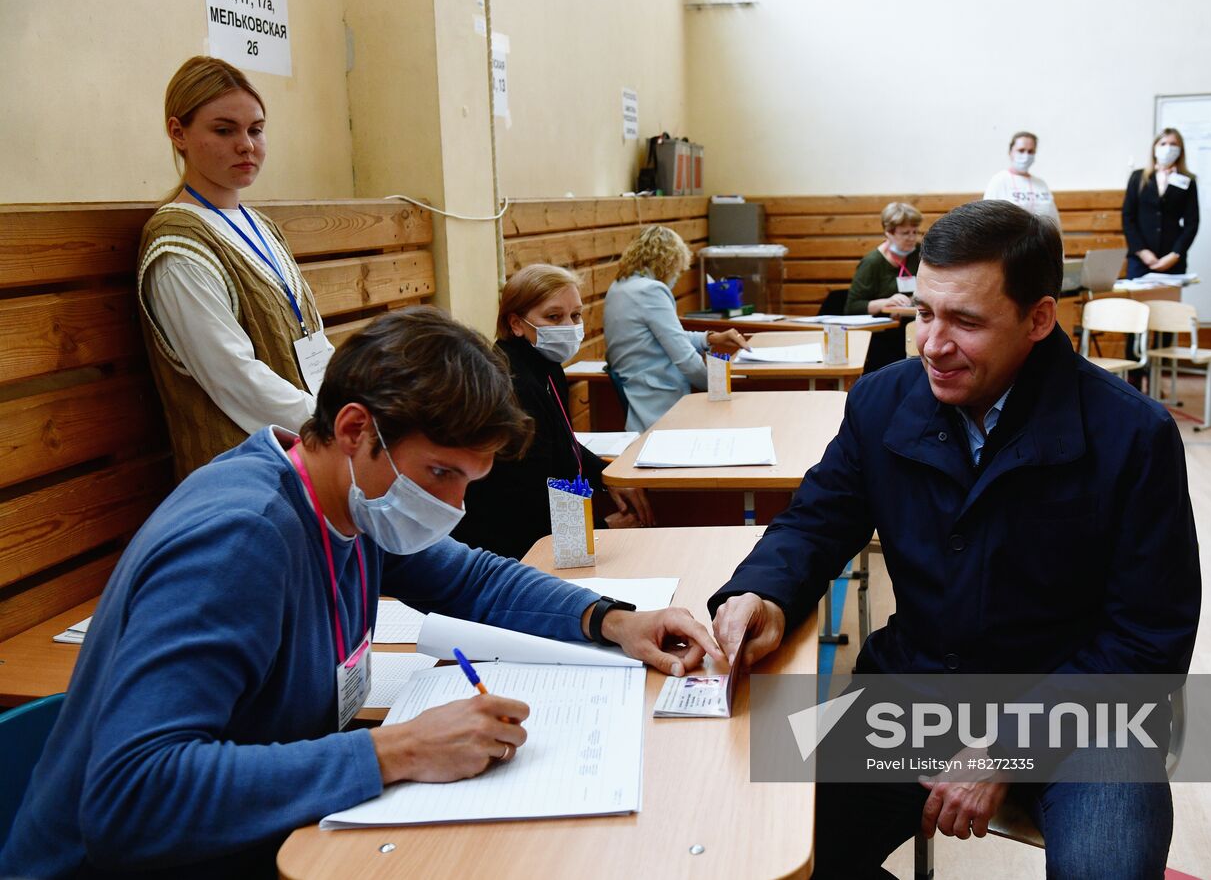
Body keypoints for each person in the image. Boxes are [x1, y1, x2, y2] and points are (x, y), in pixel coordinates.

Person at [0, 306, 721, 879]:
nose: (453, 504)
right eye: (441, 474)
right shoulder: (241, 539)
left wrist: (613, 620)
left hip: (253, 841)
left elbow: (469, 575)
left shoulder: (351, 498)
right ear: (354, 429)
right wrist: (395, 750)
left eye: (469, 481)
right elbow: (130, 796)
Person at [709, 200, 1201, 879]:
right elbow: (815, 520)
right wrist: (763, 591)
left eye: (966, 322)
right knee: (749, 841)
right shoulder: (883, 401)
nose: (933, 344)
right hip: (915, 695)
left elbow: (1148, 641)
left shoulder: (1132, 435)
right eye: (924, 312)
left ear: (1038, 318)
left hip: (1087, 718)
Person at [137, 56, 330, 480]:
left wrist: (356, 401)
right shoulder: (177, 246)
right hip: (242, 478)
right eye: (224, 130)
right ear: (178, 132)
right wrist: (339, 427)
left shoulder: (261, 226)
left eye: (256, 130)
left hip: (312, 453)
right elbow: (235, 379)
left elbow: (312, 338)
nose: (247, 145)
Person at [453, 264, 654, 557]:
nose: (570, 326)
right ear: (516, 324)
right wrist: (600, 527)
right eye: (553, 316)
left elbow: (564, 442)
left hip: (543, 531)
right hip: (506, 548)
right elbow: (528, 494)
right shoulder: (509, 385)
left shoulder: (546, 368)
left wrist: (607, 477)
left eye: (575, 315)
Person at [604, 225, 749, 431]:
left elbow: (666, 336)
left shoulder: (620, 286)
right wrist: (720, 386)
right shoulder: (651, 290)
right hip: (659, 400)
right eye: (678, 269)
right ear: (669, 260)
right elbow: (685, 359)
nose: (677, 275)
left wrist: (710, 338)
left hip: (640, 392)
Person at [845, 202, 924, 373]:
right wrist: (885, 303)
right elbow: (852, 307)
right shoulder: (872, 263)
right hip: (883, 337)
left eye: (915, 232)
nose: (912, 238)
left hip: (914, 326)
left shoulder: (918, 253)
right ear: (888, 233)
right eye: (905, 233)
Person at [1121, 127, 1200, 280]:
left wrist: (1175, 254)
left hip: (1172, 259)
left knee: (1169, 304)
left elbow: (1192, 222)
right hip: (1141, 259)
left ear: (1180, 150)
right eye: (1163, 143)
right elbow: (1128, 217)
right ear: (1155, 148)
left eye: (1173, 144)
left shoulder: (1188, 181)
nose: (1168, 148)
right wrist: (1142, 251)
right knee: (1140, 303)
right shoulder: (1138, 178)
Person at [983, 130, 1061, 227]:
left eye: (1030, 151)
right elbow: (988, 219)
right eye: (1021, 150)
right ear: (1010, 152)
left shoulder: (1041, 184)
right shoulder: (999, 181)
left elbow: (1054, 219)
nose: (1026, 155)